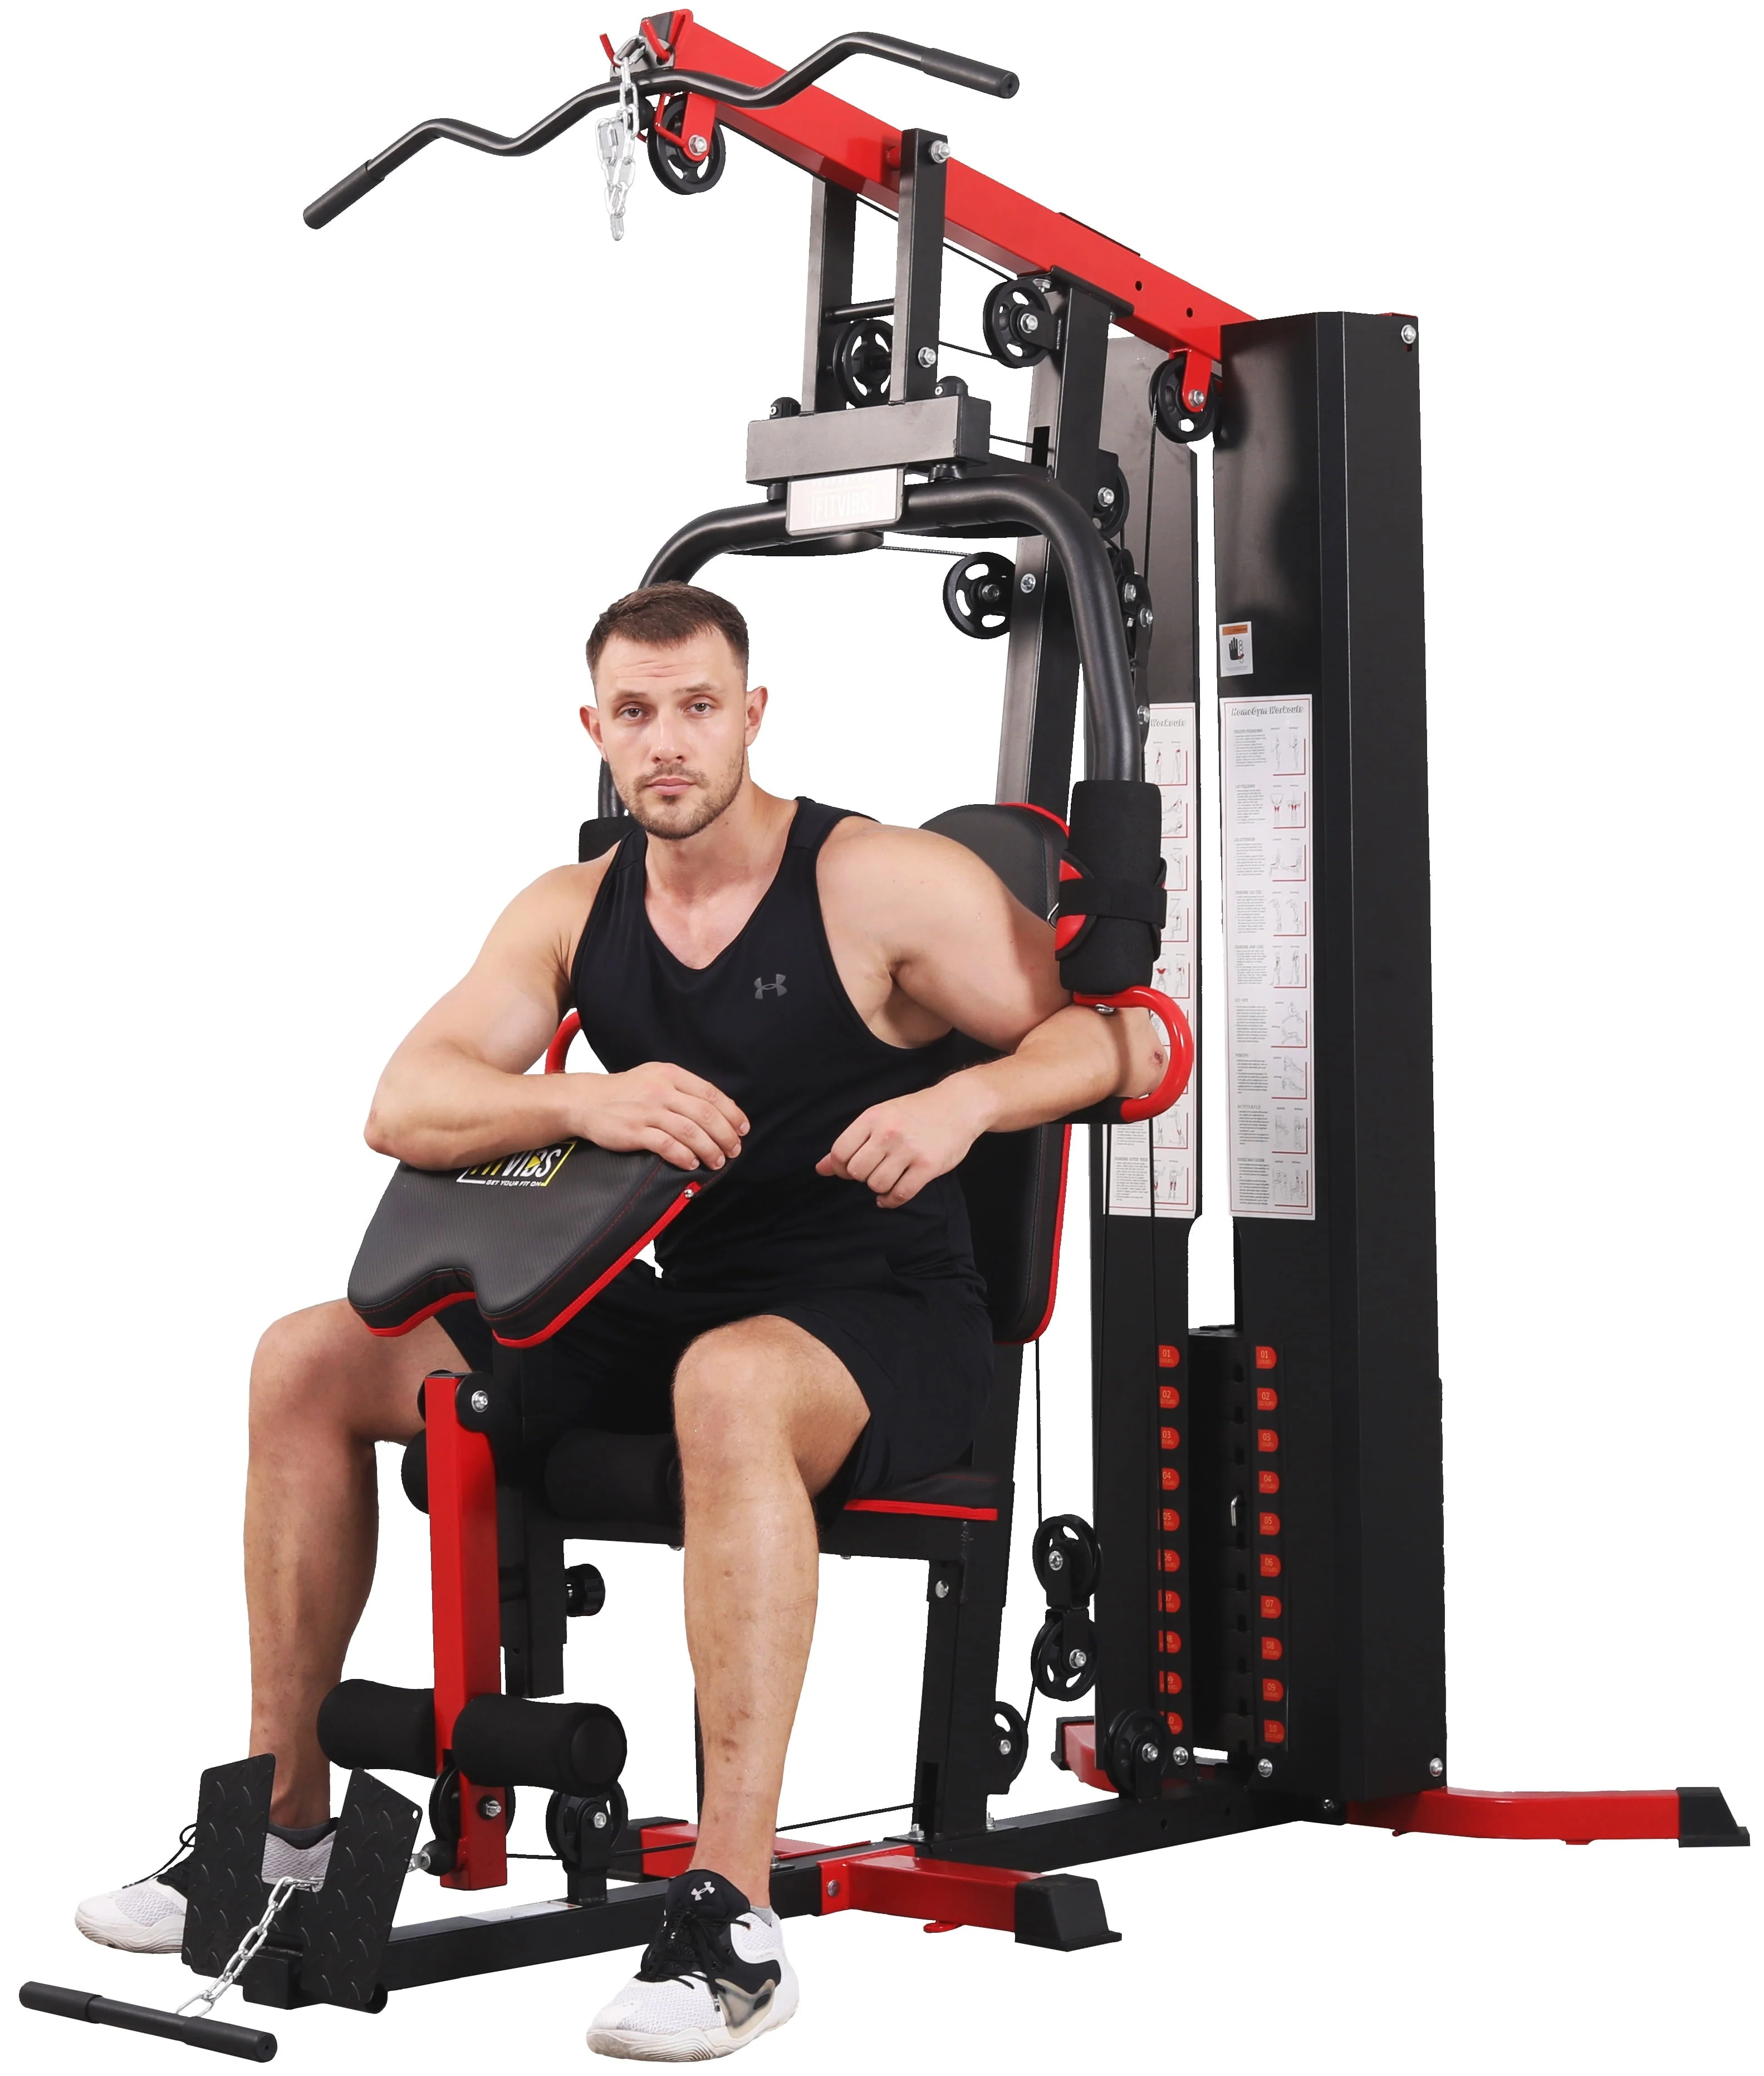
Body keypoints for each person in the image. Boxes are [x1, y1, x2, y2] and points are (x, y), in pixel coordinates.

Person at [75, 582, 1159, 2059]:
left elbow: (1125, 1037)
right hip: (684, 1310)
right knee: (309, 1357)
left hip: (891, 1314)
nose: (668, 743)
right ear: (594, 727)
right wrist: (585, 1098)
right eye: (637, 714)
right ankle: (278, 1832)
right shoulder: (577, 909)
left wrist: (967, 1101)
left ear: (752, 716)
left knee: (730, 1383)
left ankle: (732, 1916)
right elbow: (405, 1101)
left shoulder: (879, 883)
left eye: (698, 708)